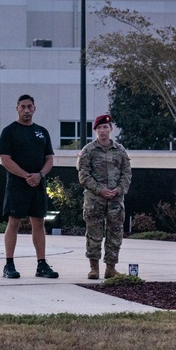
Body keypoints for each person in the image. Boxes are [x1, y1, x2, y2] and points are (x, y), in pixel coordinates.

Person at [0, 94, 58, 279]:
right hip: (17, 185)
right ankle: (9, 264)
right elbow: (5, 160)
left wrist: (39, 175)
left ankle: (41, 264)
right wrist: (26, 176)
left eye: (29, 106)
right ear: (17, 108)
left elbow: (49, 159)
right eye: (22, 106)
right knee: (14, 222)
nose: (26, 110)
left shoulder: (42, 132)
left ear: (34, 108)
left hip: (38, 184)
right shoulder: (9, 131)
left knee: (38, 223)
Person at [77, 114, 132, 279]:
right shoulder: (88, 151)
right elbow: (84, 175)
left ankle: (111, 268)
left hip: (115, 201)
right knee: (94, 234)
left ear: (111, 129)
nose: (103, 131)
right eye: (99, 128)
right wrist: (100, 190)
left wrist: (118, 190)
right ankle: (94, 268)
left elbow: (127, 173)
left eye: (105, 127)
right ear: (95, 130)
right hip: (95, 200)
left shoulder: (120, 150)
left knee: (115, 234)